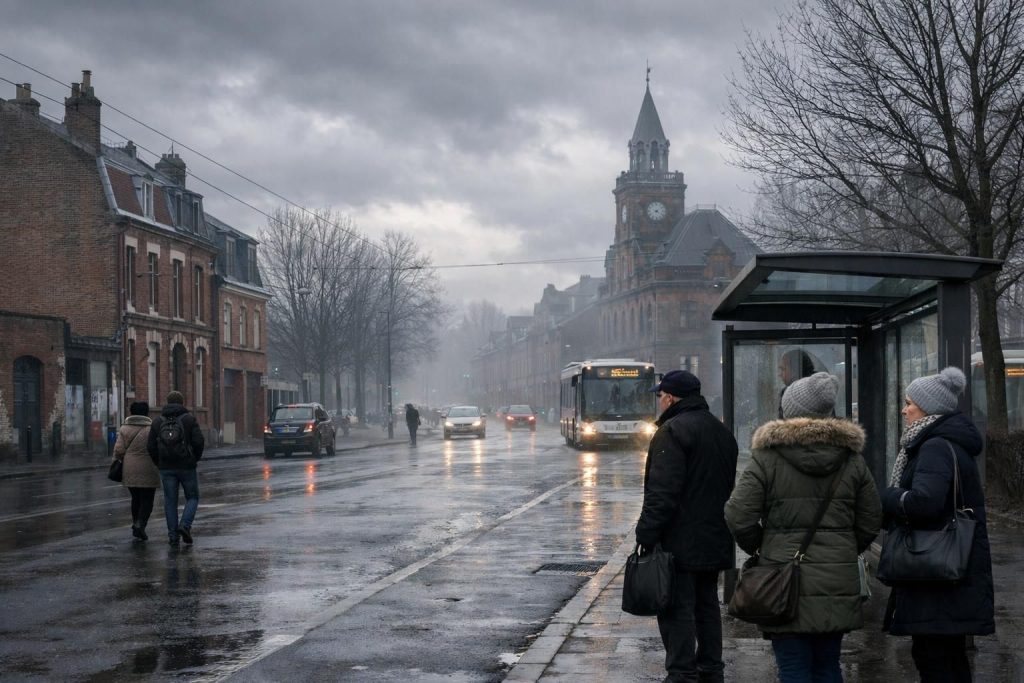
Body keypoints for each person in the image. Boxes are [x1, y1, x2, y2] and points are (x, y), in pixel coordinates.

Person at [725, 372, 882, 682]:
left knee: (793, 668)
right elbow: (872, 518)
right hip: (836, 580)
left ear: (789, 410)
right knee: (828, 666)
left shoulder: (767, 458)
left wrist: (761, 546)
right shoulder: (851, 459)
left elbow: (738, 515)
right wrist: (845, 547)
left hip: (782, 581)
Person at [881, 366, 994, 682]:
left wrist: (889, 496)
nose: (904, 410)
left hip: (935, 574)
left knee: (935, 660)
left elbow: (924, 504)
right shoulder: (949, 442)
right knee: (950, 658)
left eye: (909, 403)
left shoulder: (934, 446)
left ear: (928, 408)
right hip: (952, 573)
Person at [635, 369, 739, 683]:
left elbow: (662, 493)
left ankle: (681, 673)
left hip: (680, 541)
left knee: (677, 609)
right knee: (707, 606)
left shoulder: (672, 432)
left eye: (660, 396)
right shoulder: (721, 431)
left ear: (670, 398)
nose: (659, 401)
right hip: (714, 537)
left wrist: (646, 534)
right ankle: (711, 669)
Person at [147, 390, 205, 547]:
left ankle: (173, 536)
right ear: (182, 402)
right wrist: (194, 458)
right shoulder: (189, 419)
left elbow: (150, 446)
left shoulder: (158, 421)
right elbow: (199, 441)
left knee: (170, 501)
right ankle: (185, 525)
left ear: (167, 402)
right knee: (192, 497)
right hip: (186, 466)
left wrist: (159, 462)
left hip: (166, 467)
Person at [111, 401, 159, 541]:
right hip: (149, 468)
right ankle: (141, 524)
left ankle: (135, 522)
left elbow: (119, 450)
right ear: (146, 413)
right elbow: (156, 447)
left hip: (130, 468)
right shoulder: (152, 428)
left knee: (136, 498)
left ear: (131, 412)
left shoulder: (124, 428)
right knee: (147, 500)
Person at [778, 349, 817, 418]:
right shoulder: (820, 390)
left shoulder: (788, 394)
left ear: (795, 371)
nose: (779, 374)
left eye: (783, 369)